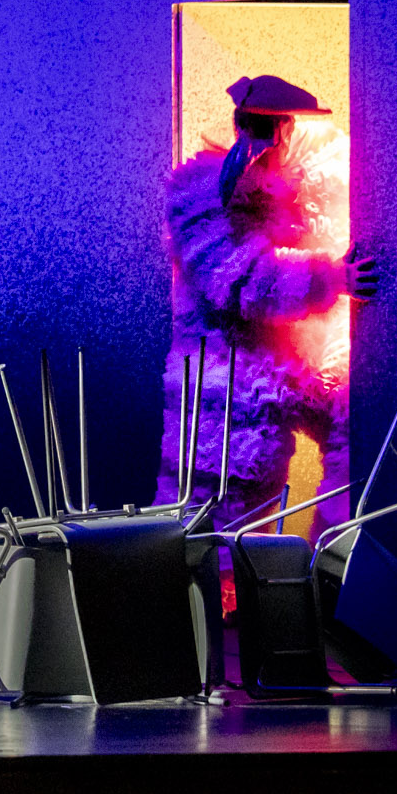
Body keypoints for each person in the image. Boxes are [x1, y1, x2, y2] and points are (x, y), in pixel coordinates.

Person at [161, 76, 379, 534]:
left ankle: (332, 561)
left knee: (355, 426)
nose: (273, 140)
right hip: (223, 386)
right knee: (213, 521)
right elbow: (240, 280)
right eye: (262, 127)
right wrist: (333, 278)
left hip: (282, 370)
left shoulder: (290, 186)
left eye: (276, 128)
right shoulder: (200, 195)